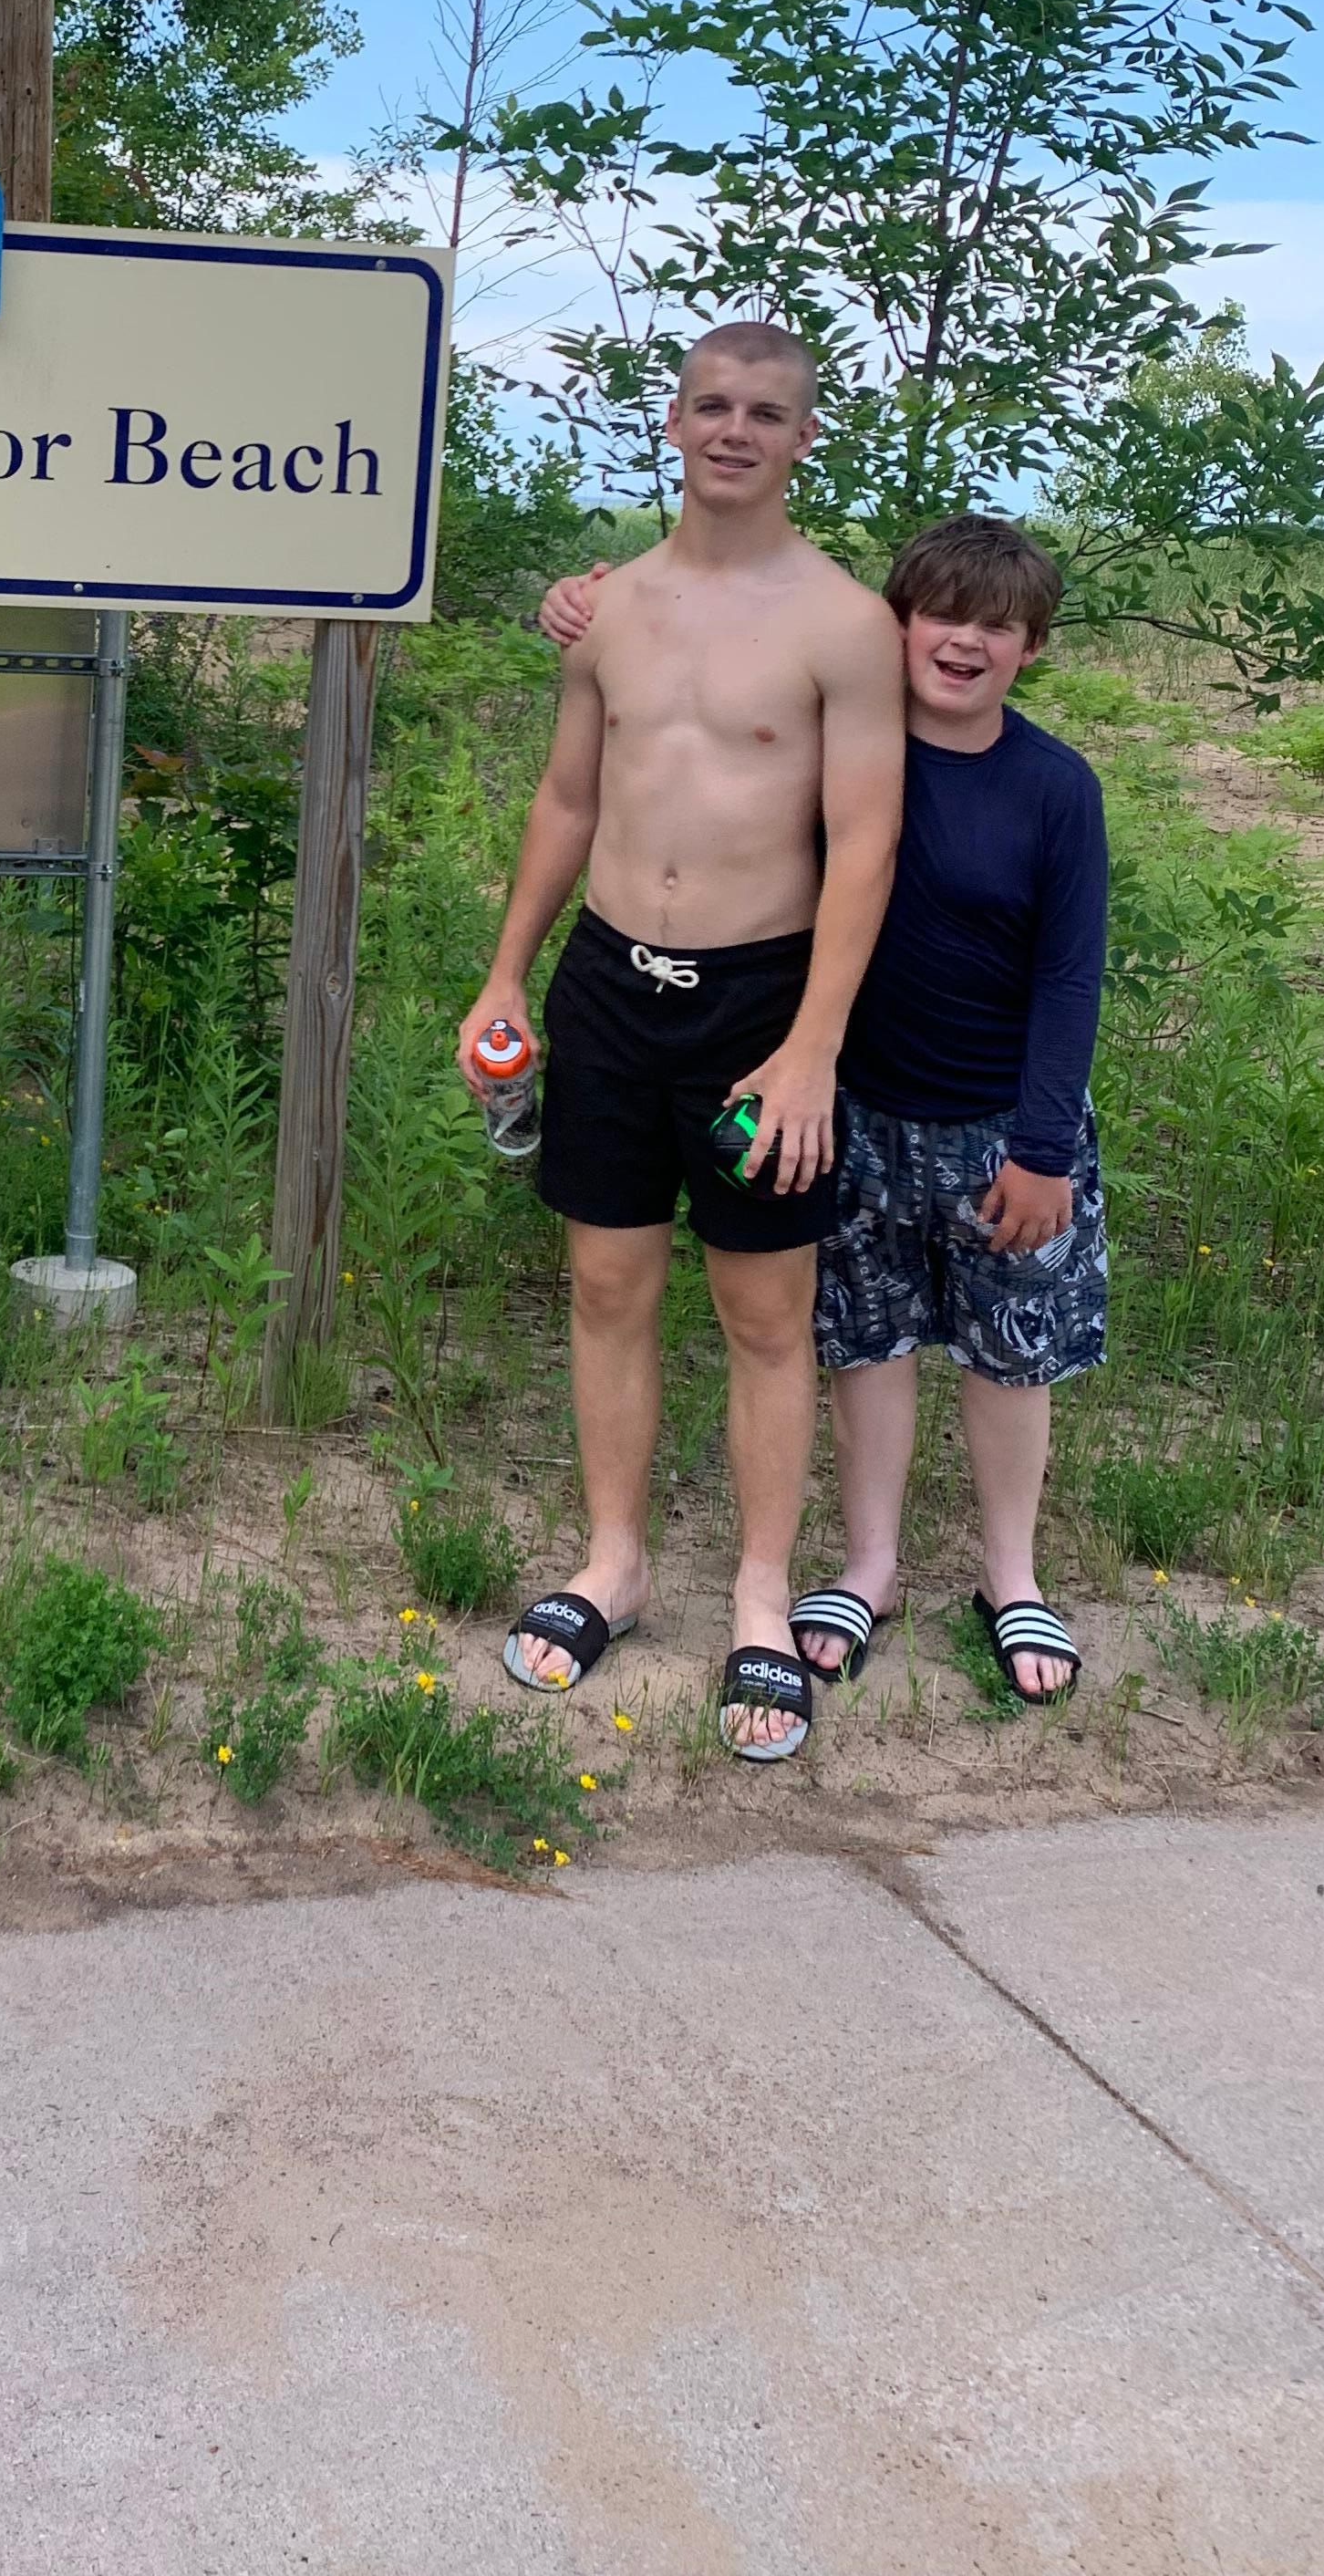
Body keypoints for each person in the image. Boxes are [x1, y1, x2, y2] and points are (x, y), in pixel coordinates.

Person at [543, 514, 1108, 1703]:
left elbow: (1069, 979)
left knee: (1010, 1353)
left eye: (998, 626)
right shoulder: (835, 747)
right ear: (892, 628)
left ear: (1033, 648)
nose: (965, 642)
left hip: (1003, 1128)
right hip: (853, 1108)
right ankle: (867, 1566)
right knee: (867, 1343)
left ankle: (1013, 1577)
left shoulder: (1054, 788)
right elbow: (710, 684)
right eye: (940, 615)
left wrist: (1045, 1144)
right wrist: (588, 606)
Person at [457, 324, 905, 1761]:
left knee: (766, 1312)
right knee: (605, 1284)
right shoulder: (609, 613)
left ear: (803, 438)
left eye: (766, 412)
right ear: (673, 421)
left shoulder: (845, 625)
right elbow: (568, 801)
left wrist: (814, 1047)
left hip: (759, 1010)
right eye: (712, 404)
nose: (735, 430)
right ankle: (614, 1562)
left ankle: (762, 1596)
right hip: (606, 988)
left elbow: (866, 846)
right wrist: (506, 975)